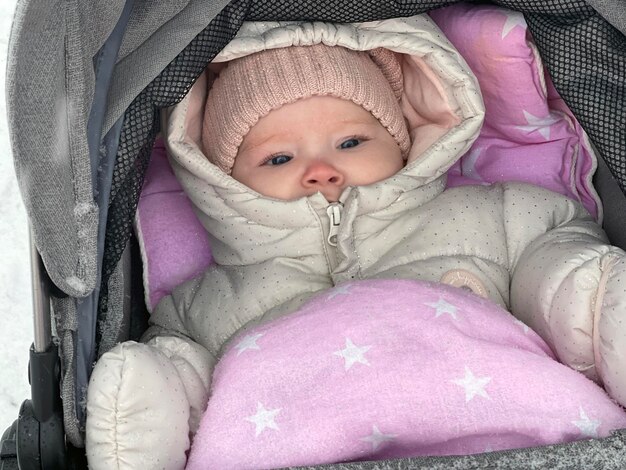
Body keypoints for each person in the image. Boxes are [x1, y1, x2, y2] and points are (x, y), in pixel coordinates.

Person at [85, 17, 626, 469]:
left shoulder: (491, 214)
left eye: (351, 141)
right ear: (222, 180)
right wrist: (152, 399)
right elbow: (184, 373)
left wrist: (587, 294)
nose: (321, 169)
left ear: (402, 140)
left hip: (515, 432)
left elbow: (554, 246)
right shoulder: (206, 300)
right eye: (278, 157)